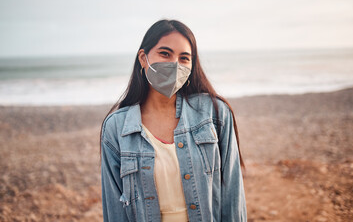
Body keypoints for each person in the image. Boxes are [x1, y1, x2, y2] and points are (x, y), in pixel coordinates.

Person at [100, 19, 247, 222]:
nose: (175, 64)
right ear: (143, 58)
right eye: (165, 54)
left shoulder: (215, 113)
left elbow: (232, 195)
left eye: (184, 58)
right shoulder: (116, 127)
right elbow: (114, 210)